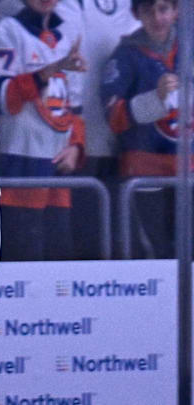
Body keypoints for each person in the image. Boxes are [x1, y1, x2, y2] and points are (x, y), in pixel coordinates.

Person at [0, 0, 86, 260]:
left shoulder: (69, 33)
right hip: (19, 161)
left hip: (59, 168)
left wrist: (76, 146)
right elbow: (1, 100)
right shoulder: (7, 30)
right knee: (22, 259)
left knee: (59, 258)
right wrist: (46, 73)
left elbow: (75, 106)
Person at [100, 0, 179, 257]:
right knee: (157, 255)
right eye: (149, 10)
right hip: (144, 170)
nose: (158, 17)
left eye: (164, 9)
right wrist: (154, 99)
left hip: (188, 172)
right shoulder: (125, 55)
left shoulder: (188, 51)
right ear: (136, 14)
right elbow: (113, 117)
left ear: (176, 11)